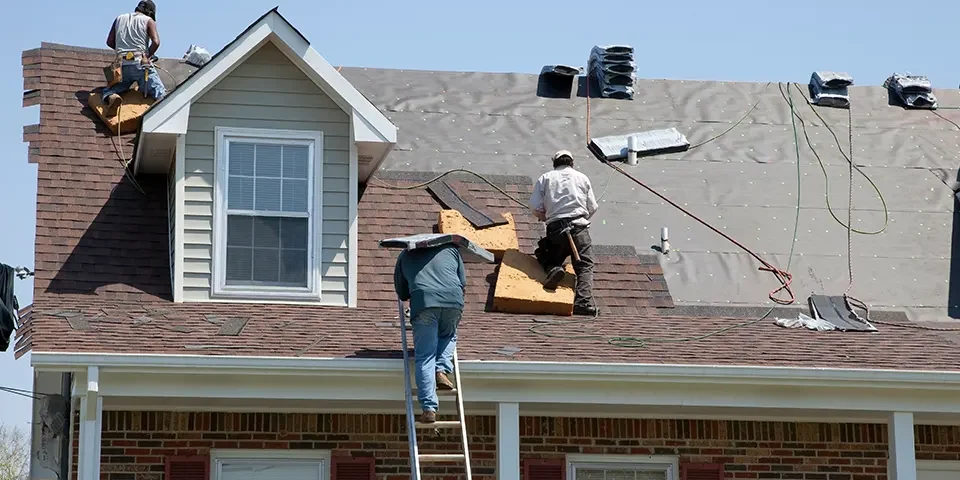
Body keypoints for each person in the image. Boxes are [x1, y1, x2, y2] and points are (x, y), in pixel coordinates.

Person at [393, 243, 467, 424]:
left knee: (425, 356)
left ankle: (429, 408)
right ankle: (441, 370)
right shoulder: (450, 250)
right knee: (448, 335)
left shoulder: (405, 254)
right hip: (453, 300)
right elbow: (462, 283)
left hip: (424, 302)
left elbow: (402, 293)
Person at [530, 150, 600, 316]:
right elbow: (593, 207)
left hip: (556, 229)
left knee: (545, 255)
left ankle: (554, 268)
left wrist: (545, 216)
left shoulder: (545, 178)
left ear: (554, 163)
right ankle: (582, 302)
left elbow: (535, 207)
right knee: (585, 265)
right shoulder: (582, 178)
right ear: (572, 163)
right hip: (579, 228)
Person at [102, 1, 165, 116]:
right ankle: (157, 116)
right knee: (160, 93)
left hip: (121, 66)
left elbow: (109, 42)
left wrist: (122, 50)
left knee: (110, 89)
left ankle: (112, 97)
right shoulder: (148, 21)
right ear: (149, 12)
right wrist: (147, 55)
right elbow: (156, 42)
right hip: (139, 64)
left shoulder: (119, 19)